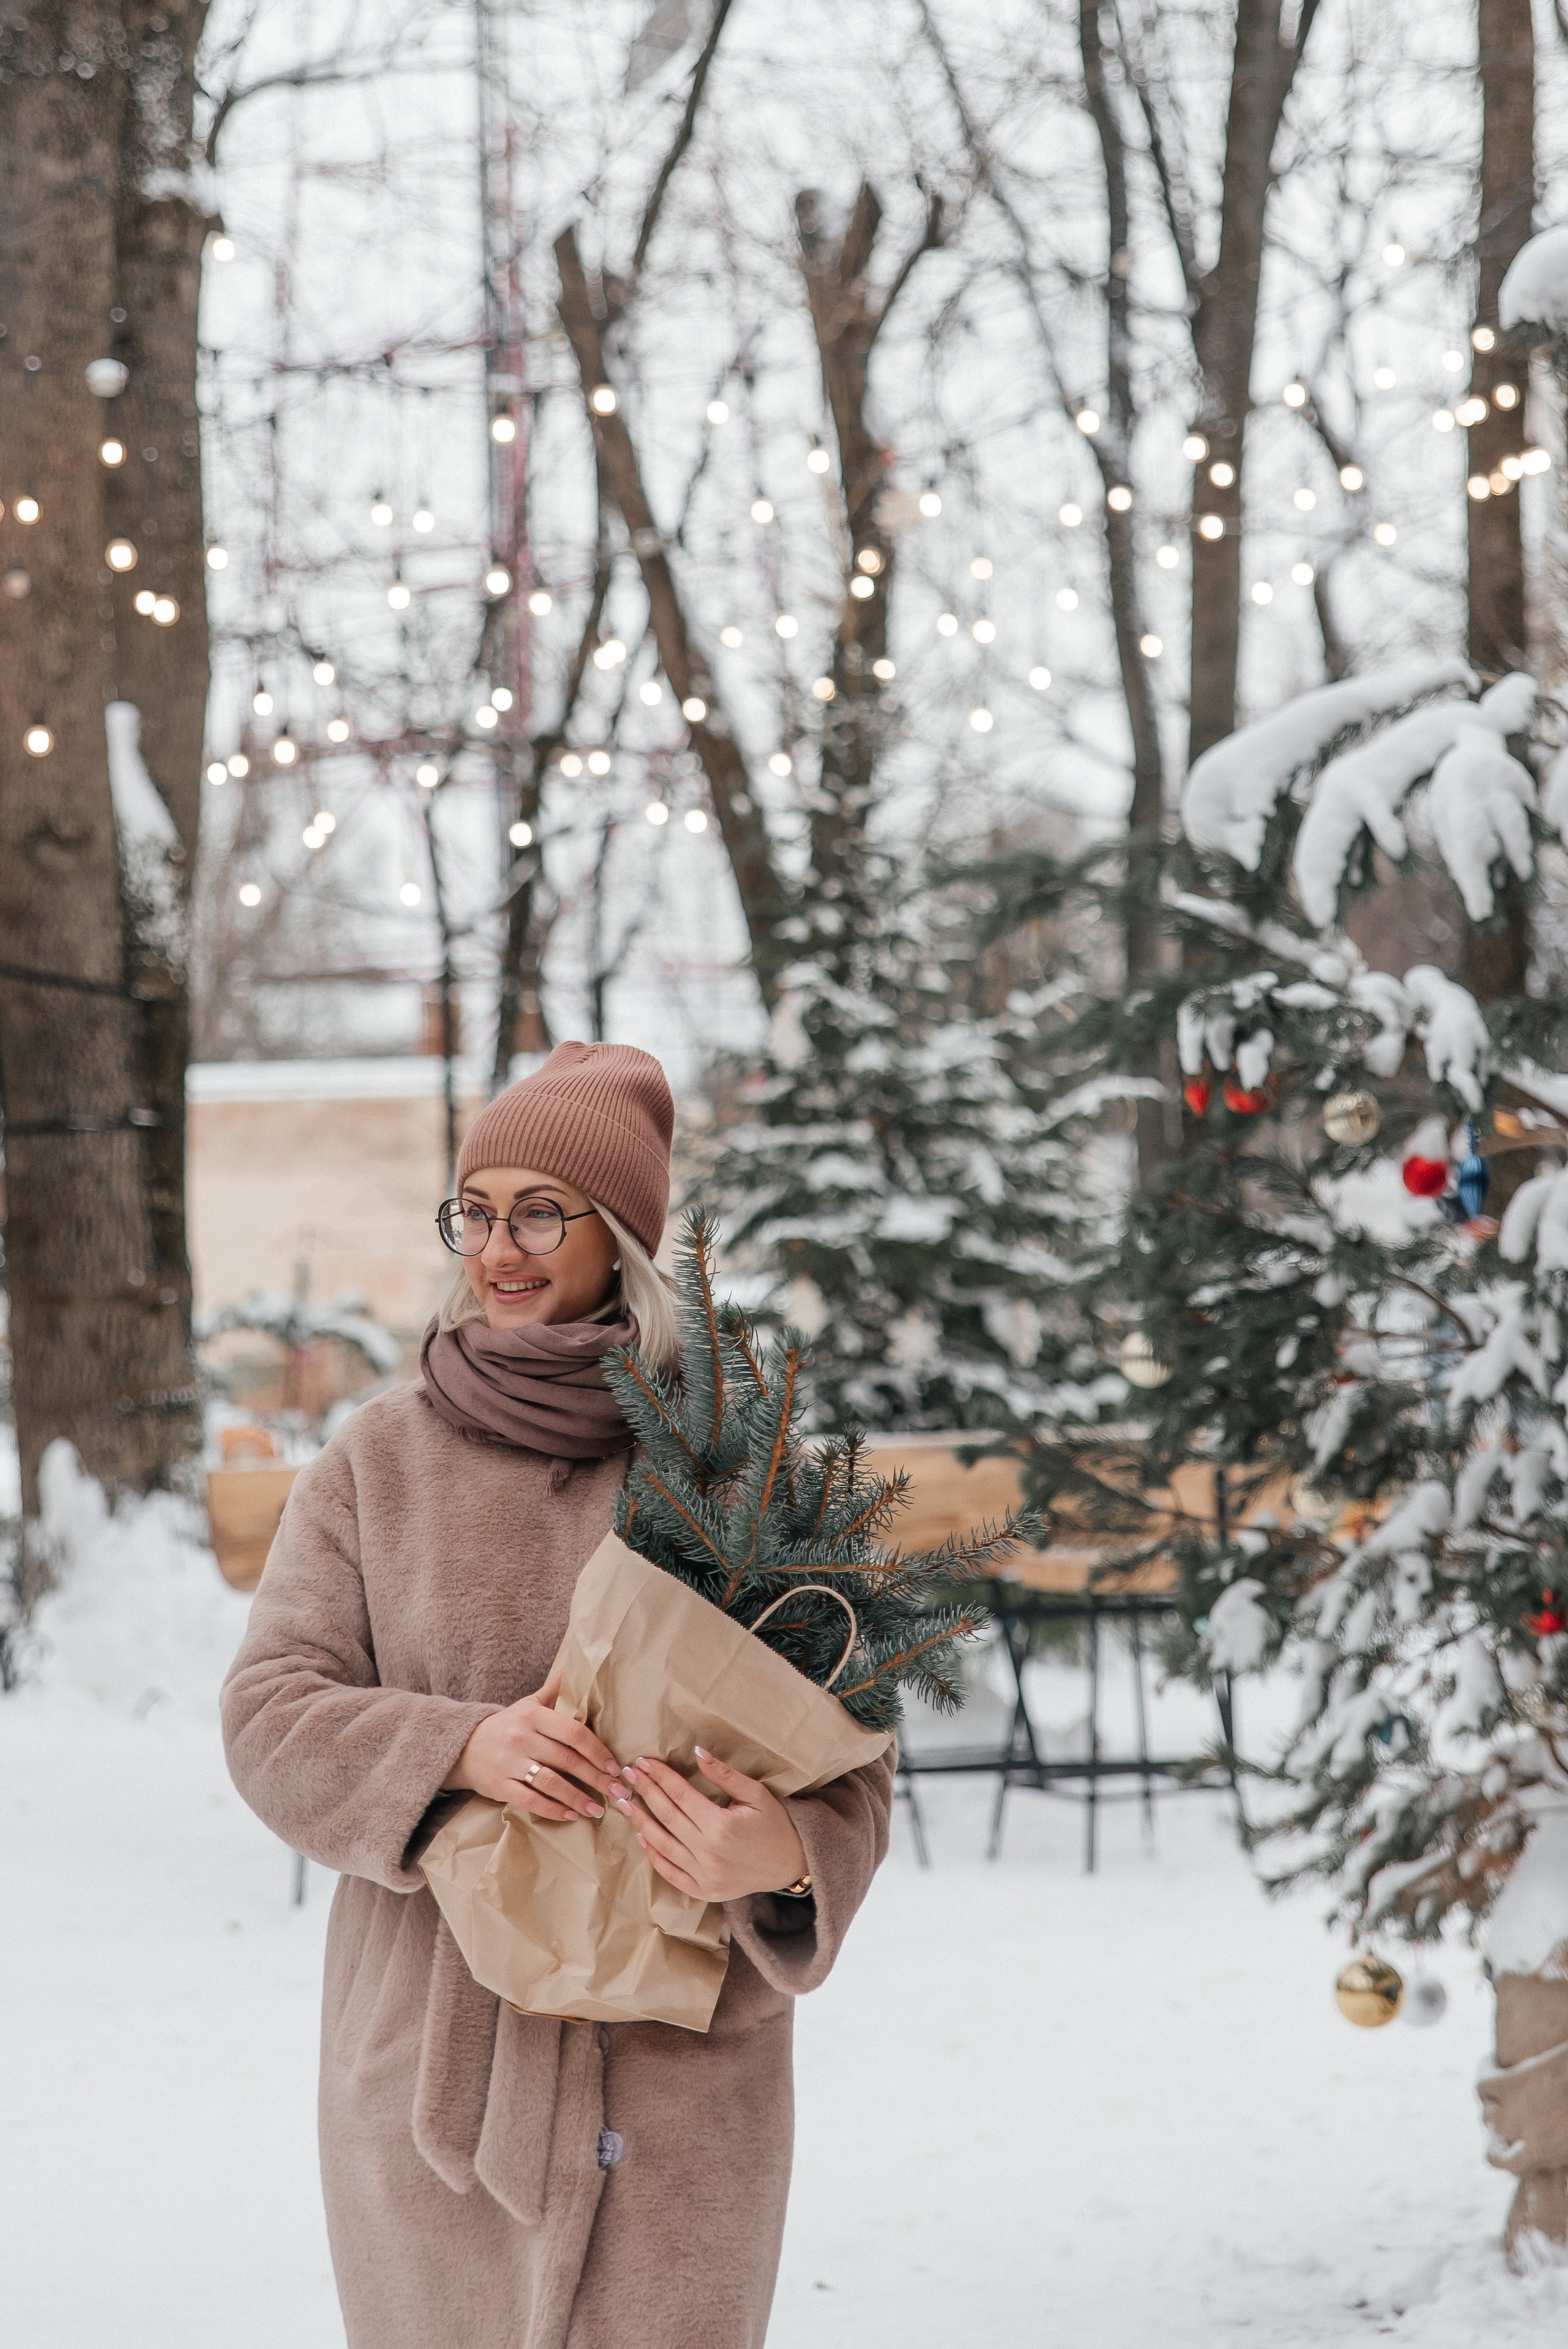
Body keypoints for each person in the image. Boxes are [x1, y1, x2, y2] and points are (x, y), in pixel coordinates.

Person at [221, 1040, 893, 2349]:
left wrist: (785, 1853)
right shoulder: (377, 1457)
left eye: (539, 1210)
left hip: (681, 2085)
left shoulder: (734, 1459)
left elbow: (856, 1766)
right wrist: (460, 1747)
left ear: (623, 1234)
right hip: (432, 2069)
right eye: (476, 1209)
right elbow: (268, 1715)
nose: (498, 1246)